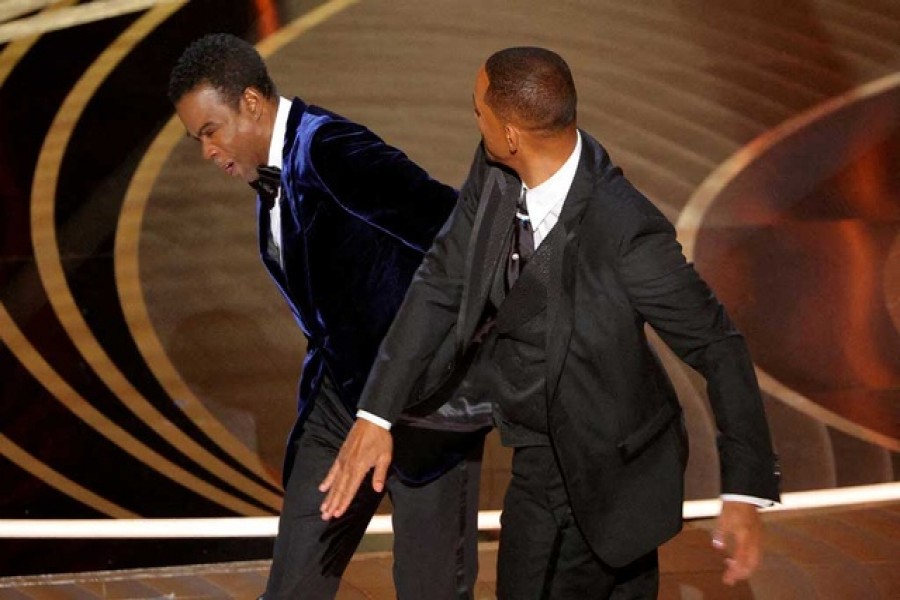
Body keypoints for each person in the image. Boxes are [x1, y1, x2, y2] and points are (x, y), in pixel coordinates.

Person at [319, 47, 781, 598]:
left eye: (479, 112)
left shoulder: (628, 234)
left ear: (512, 133)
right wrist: (377, 412)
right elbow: (442, 279)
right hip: (536, 457)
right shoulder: (494, 170)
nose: (476, 121)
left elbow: (717, 345)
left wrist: (745, 493)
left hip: (613, 469)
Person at [168, 33, 488, 600]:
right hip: (340, 400)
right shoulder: (272, 174)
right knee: (294, 588)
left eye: (210, 132)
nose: (207, 152)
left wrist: (441, 366)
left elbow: (453, 230)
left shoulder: (332, 151)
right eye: (197, 139)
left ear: (250, 102)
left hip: (423, 406)